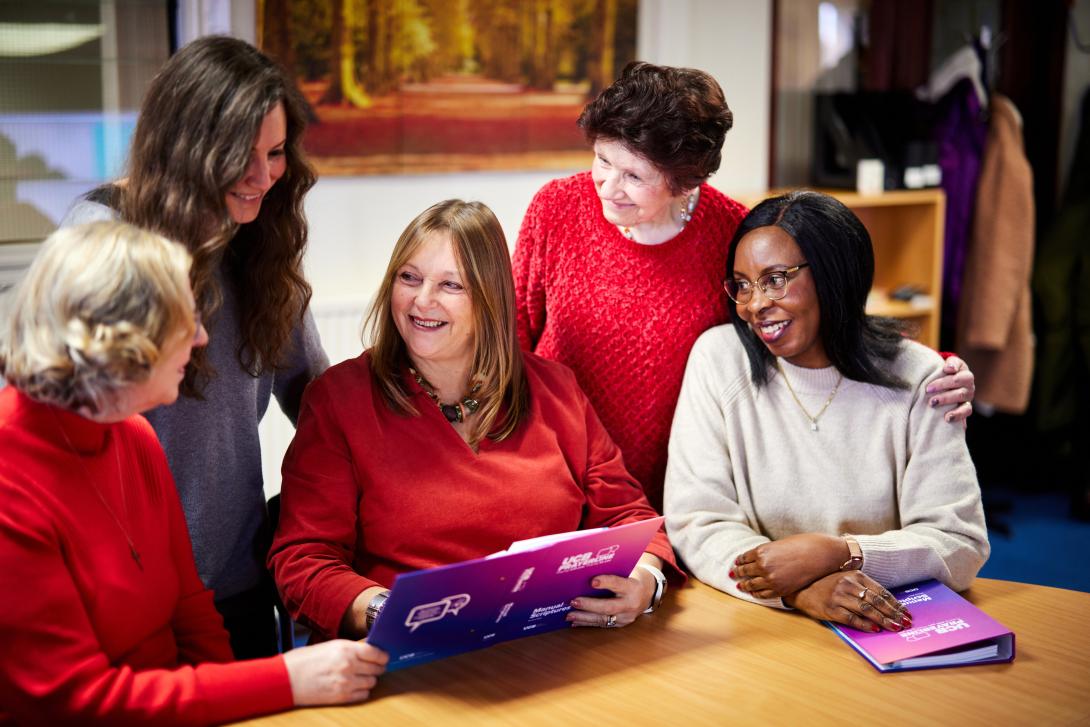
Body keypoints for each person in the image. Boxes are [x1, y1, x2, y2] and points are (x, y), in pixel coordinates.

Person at [512, 61, 977, 511]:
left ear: (684, 183)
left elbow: (802, 323)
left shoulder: (732, 235)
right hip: (559, 461)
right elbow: (513, 328)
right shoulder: (557, 207)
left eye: (634, 176)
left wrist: (927, 367)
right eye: (602, 160)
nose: (608, 186)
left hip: (682, 475)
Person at [0, 222, 386, 725]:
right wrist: (286, 680)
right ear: (123, 339)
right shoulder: (12, 481)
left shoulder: (133, 435)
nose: (203, 337)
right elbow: (77, 700)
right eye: (187, 320)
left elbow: (193, 612)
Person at [269, 200, 677, 640]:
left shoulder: (556, 389)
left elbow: (631, 520)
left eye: (451, 285)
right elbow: (303, 562)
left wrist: (645, 582)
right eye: (409, 278)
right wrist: (391, 614)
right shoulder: (339, 399)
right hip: (403, 661)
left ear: (489, 299)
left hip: (543, 653)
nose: (422, 300)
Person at [62, 36, 327, 658]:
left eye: (277, 152)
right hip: (124, 593)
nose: (263, 177)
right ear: (190, 149)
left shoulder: (259, 244)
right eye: (243, 155)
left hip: (233, 583)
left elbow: (320, 401)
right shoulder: (105, 237)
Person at [663, 191, 990, 632]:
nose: (755, 304)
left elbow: (959, 542)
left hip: (881, 623)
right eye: (742, 284)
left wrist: (842, 554)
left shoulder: (923, 376)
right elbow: (697, 522)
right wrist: (798, 591)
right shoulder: (718, 360)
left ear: (836, 274)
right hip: (754, 627)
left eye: (776, 279)